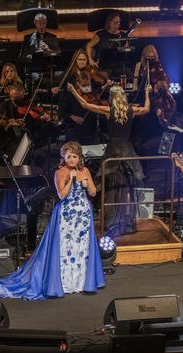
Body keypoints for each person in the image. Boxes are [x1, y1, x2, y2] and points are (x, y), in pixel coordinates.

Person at [0, 142, 105, 299]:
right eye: (69, 157)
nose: (72, 160)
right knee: (66, 248)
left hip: (83, 215)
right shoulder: (60, 172)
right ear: (63, 157)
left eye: (75, 156)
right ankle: (64, 283)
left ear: (79, 158)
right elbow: (61, 195)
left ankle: (81, 283)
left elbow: (93, 193)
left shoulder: (85, 170)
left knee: (81, 248)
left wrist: (87, 185)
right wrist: (70, 181)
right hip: (66, 215)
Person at [68, 82, 152, 238]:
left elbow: (85, 105)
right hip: (127, 149)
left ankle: (113, 221)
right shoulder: (131, 110)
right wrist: (147, 92)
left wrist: (73, 91)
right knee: (126, 187)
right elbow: (147, 109)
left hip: (113, 150)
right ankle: (124, 222)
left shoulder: (108, 111)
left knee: (111, 186)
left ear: (112, 97)